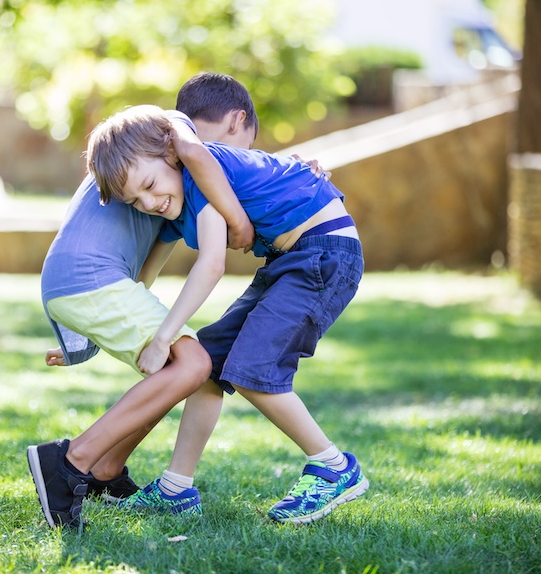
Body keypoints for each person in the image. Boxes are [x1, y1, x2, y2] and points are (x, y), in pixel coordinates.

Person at [88, 104, 369, 525]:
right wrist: (91, 333)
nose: (149, 202)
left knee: (252, 368)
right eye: (135, 201)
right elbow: (140, 281)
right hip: (288, 261)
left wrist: (163, 338)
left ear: (172, 156)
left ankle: (333, 466)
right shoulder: (175, 202)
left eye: (149, 185)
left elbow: (211, 265)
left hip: (324, 253)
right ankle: (175, 488)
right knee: (207, 364)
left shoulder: (199, 171)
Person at [28, 73, 260, 529]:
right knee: (193, 363)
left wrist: (87, 337)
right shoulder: (169, 130)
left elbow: (140, 279)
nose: (149, 202)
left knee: (177, 369)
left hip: (81, 282)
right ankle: (70, 462)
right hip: (88, 277)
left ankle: (106, 469)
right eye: (138, 197)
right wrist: (239, 223)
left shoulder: (164, 182)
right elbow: (200, 157)